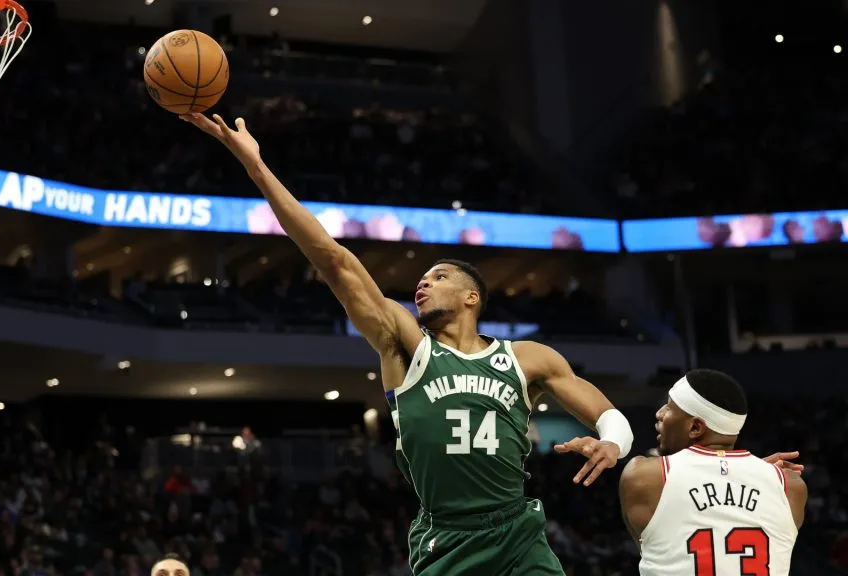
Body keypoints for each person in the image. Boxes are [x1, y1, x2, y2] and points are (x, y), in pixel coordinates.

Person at [182, 113, 634, 575]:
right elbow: (334, 259)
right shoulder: (407, 345)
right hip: (448, 537)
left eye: (437, 278)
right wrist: (257, 168)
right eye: (420, 281)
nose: (422, 285)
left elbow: (606, 414)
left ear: (470, 296)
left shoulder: (527, 358)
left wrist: (613, 443)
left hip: (518, 530)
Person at [619, 369, 807, 576]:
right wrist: (751, 473)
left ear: (695, 428)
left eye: (670, 408)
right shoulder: (789, 487)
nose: (660, 414)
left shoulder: (643, 476)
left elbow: (656, 549)